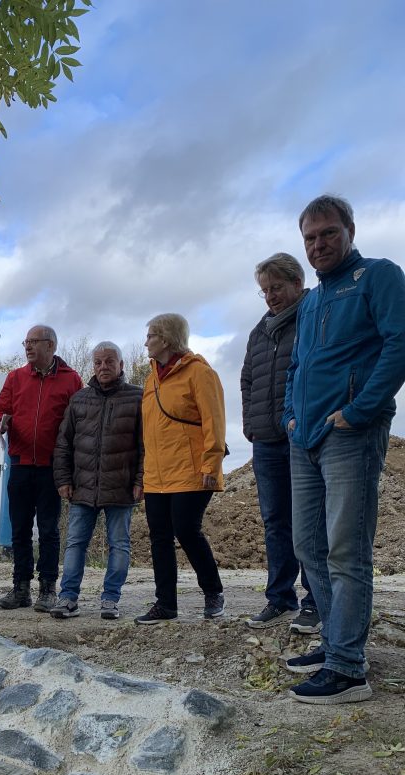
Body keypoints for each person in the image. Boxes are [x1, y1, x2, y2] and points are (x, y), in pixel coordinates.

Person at [283, 195, 405, 705]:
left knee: (345, 549)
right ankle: (336, 642)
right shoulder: (310, 300)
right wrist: (290, 415)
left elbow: (401, 342)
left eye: (328, 233)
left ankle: (349, 670)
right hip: (305, 436)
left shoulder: (379, 276)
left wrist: (358, 411)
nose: (318, 245)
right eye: (310, 238)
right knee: (307, 546)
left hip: (349, 434)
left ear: (350, 230)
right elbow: (297, 368)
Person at [241, 253, 319, 633]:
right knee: (275, 522)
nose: (270, 296)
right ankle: (280, 598)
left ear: (297, 283)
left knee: (307, 520)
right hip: (266, 442)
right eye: (265, 290)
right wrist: (250, 423)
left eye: (276, 287)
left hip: (302, 437)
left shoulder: (312, 316)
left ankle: (316, 601)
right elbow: (247, 380)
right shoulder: (260, 330)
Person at [135, 313, 226, 625]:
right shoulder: (150, 380)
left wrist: (211, 463)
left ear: (167, 338)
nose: (146, 341)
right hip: (157, 474)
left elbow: (215, 420)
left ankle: (213, 592)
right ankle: (166, 605)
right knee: (159, 537)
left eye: (151, 335)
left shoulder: (200, 373)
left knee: (187, 531)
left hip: (191, 470)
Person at [0, 324, 82, 612]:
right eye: (25, 342)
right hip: (19, 464)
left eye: (34, 342)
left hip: (52, 467)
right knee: (19, 530)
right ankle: (20, 588)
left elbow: (80, 422)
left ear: (51, 346)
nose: (28, 347)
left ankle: (47, 589)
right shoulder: (15, 377)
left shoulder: (71, 380)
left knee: (49, 530)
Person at [50, 342, 143, 620]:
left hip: (121, 486)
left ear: (121, 365)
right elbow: (63, 444)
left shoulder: (138, 398)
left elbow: (146, 446)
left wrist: (141, 480)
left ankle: (111, 599)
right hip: (82, 487)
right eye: (98, 362)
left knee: (120, 544)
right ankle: (67, 598)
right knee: (75, 544)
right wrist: (63, 479)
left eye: (109, 362)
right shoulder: (79, 399)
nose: (103, 367)